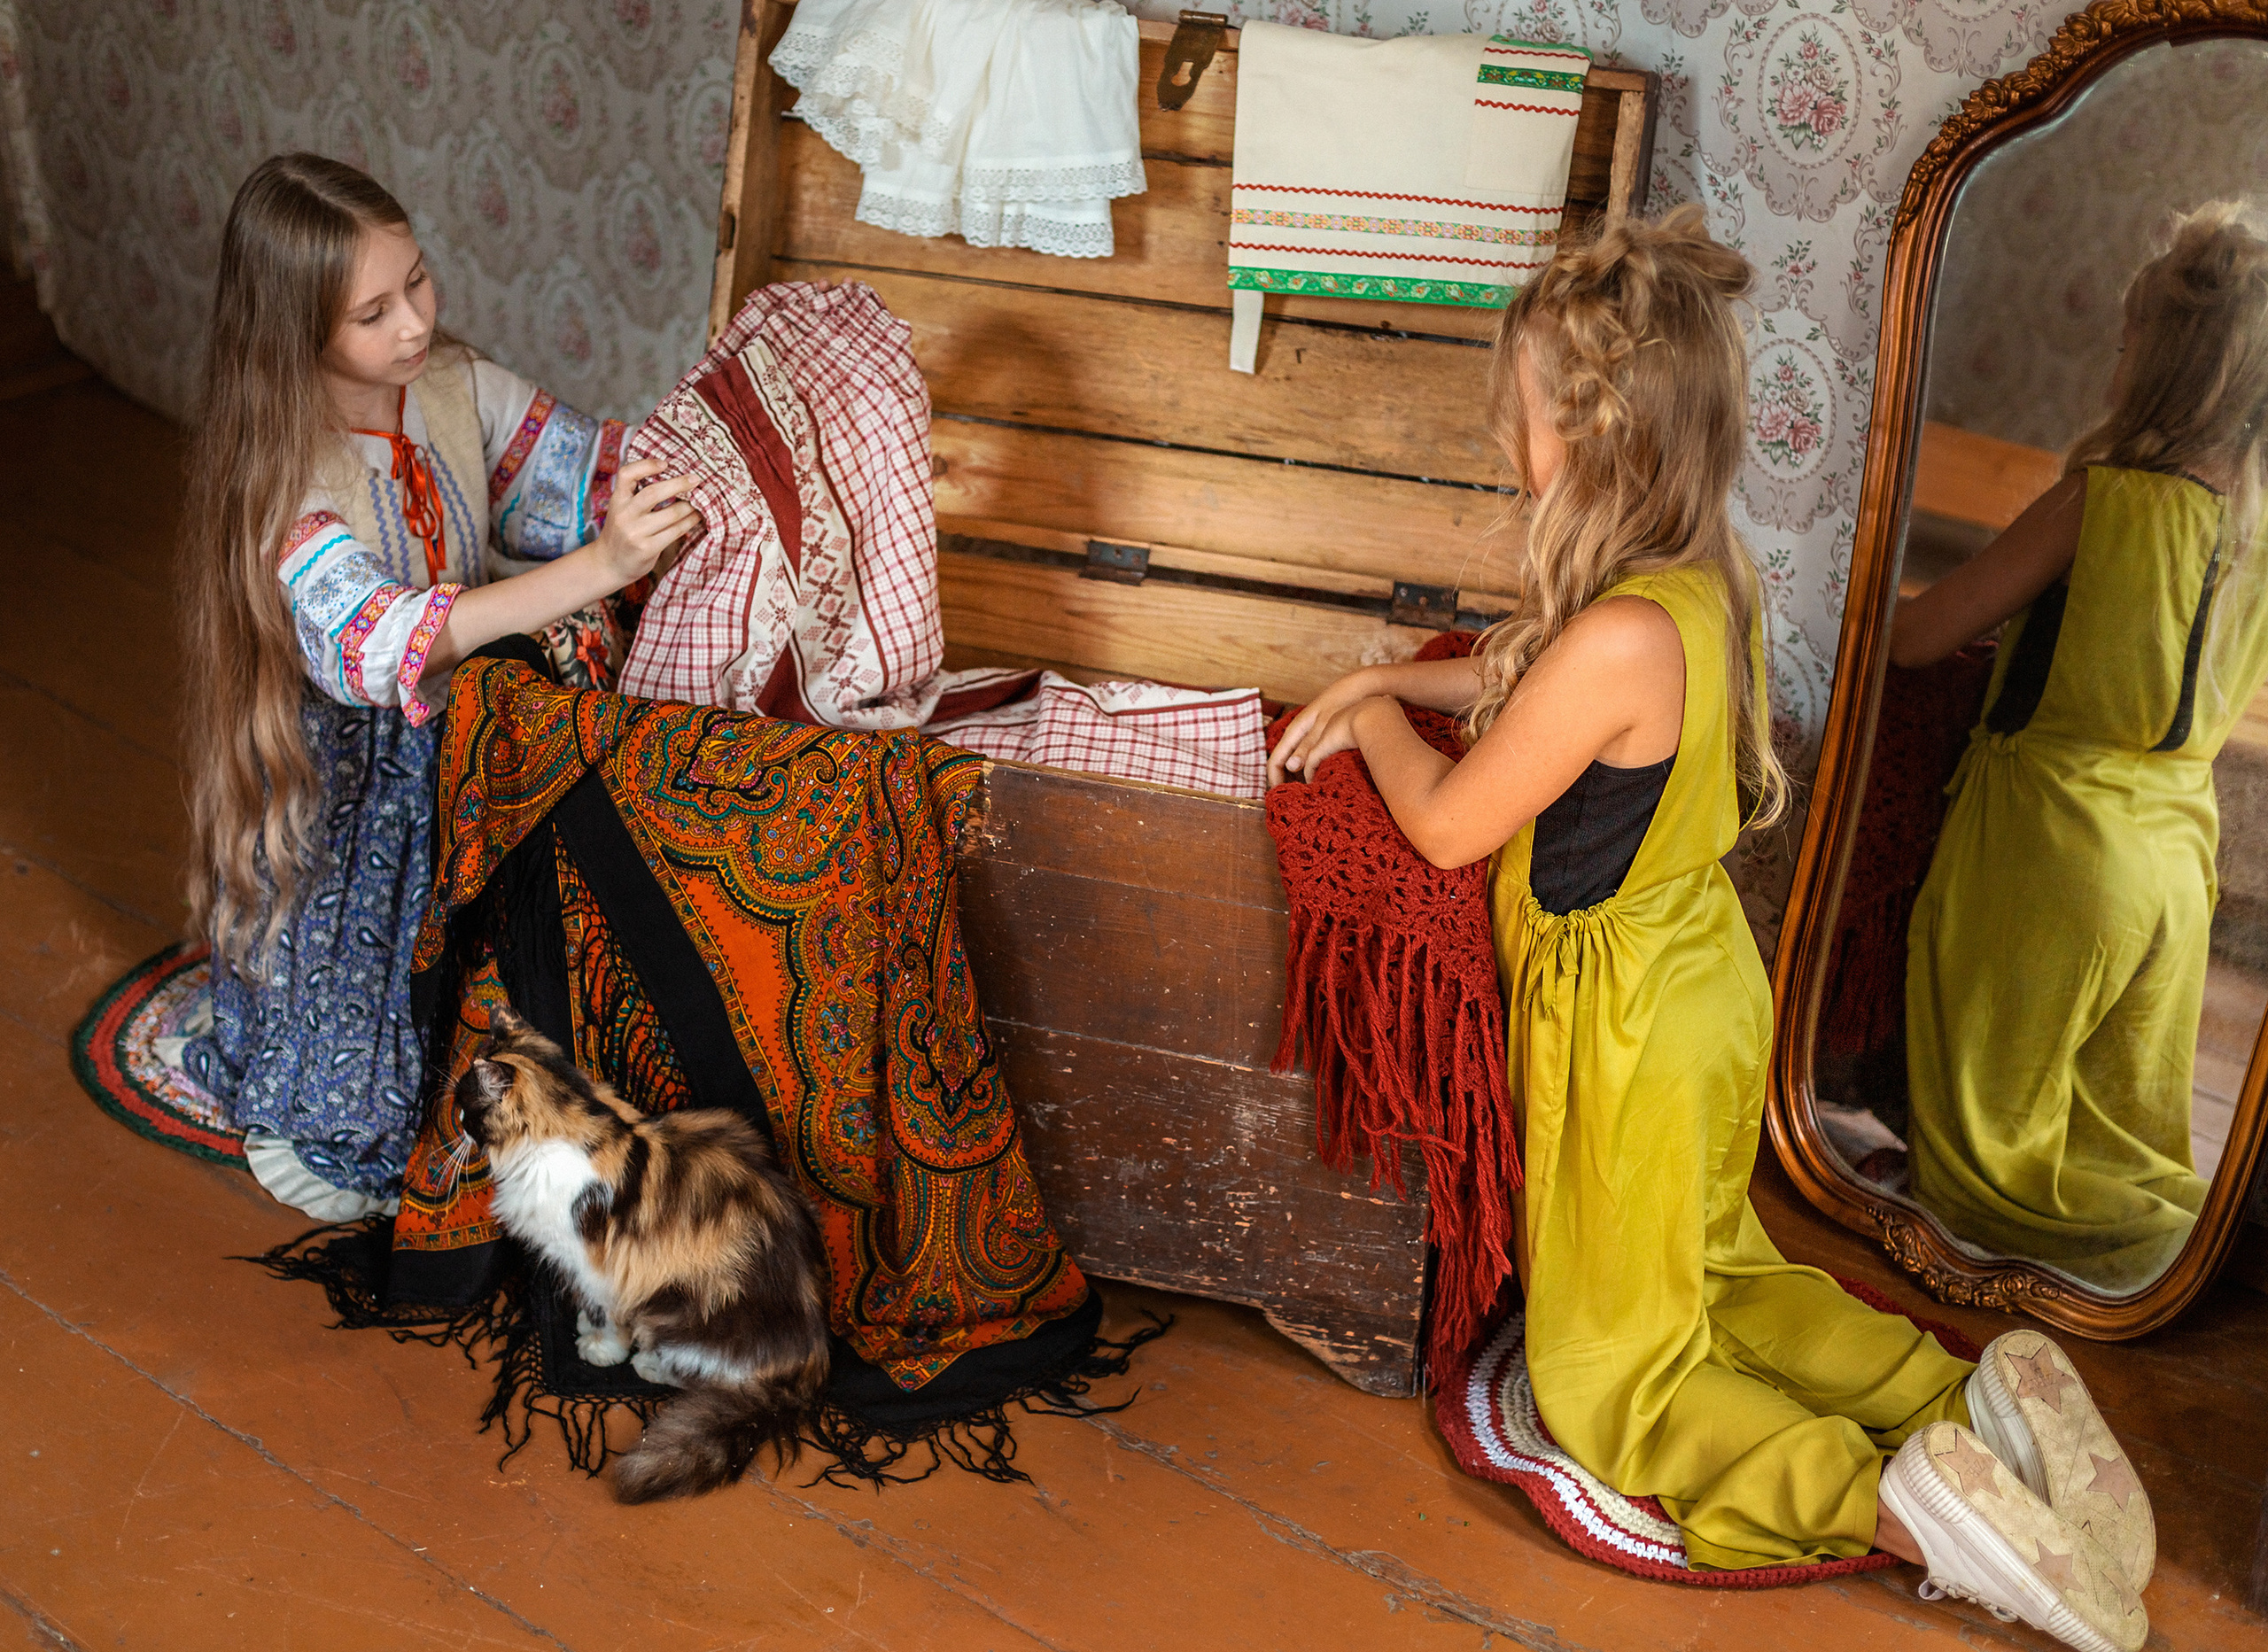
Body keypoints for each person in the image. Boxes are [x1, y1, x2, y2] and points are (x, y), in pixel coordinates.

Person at [1270, 207, 2151, 1648]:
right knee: (1721, 1268)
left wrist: (1370, 715)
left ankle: (1896, 1501)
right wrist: (1412, 684)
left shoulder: (1614, 637)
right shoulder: (1692, 583)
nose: (1508, 440)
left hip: (1623, 1029)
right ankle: (1965, 1397)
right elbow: (1524, 689)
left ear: (1598, 435)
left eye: (1523, 417)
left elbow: (1450, 825)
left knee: (1620, 1375)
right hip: (1700, 992)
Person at [176, 153, 695, 1219]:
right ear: (295, 331)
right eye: (372, 312)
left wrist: (694, 471)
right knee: (357, 1109)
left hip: (465, 722)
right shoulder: (284, 474)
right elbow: (384, 640)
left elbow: (582, 470)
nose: (412, 323)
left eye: (416, 280)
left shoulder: (451, 384)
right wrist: (598, 567)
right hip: (349, 770)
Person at [1892, 205, 2268, 1295]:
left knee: (1987, 1146)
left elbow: (1919, 636)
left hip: (2053, 845)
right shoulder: (2252, 537)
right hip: (2173, 861)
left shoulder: (2100, 500)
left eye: (2126, 342)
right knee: (2127, 1143)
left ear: (2165, 368)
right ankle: (2190, 1275)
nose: (2113, 361)